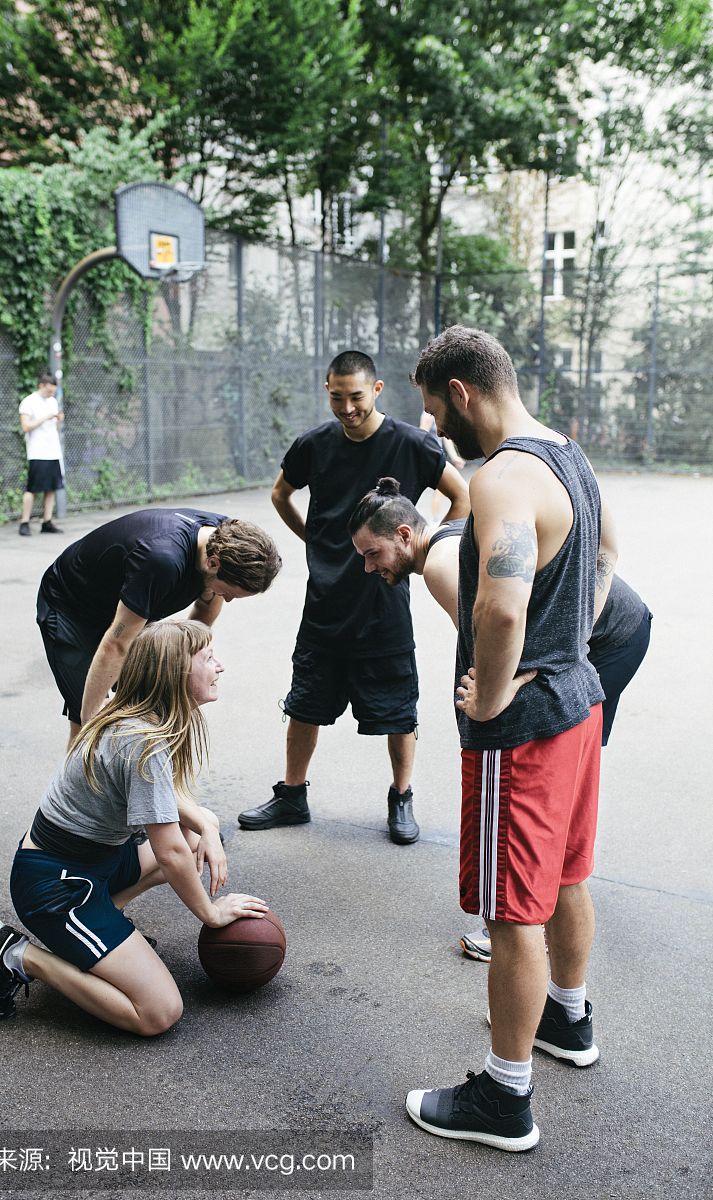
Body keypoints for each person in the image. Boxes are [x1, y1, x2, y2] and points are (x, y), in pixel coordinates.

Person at [400, 325, 617, 1153]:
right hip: (579, 704)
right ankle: (570, 1019)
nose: (434, 430)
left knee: (509, 912)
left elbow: (498, 607)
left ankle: (505, 1098)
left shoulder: (499, 480)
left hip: (523, 730)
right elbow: (608, 555)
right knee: (565, 876)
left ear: (461, 394)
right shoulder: (571, 455)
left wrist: (490, 700)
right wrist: (567, 653)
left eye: (432, 410)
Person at [348, 480, 652, 962]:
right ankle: (546, 894)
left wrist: (503, 689)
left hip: (612, 634)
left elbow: (507, 630)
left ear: (405, 535)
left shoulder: (439, 566)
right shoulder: (444, 540)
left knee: (556, 759)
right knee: (562, 769)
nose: (369, 566)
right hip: (608, 627)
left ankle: (525, 918)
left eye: (372, 553)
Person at [0, 620, 268, 1035]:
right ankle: (22, 957)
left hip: (90, 863)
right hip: (56, 888)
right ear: (175, 673)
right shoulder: (143, 742)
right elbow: (168, 853)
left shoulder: (132, 716)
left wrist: (206, 819)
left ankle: (106, 923)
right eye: (207, 658)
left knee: (196, 835)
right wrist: (211, 913)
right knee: (158, 1013)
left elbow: (163, 806)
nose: (220, 666)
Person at [237, 350, 470, 844]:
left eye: (356, 397)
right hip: (324, 605)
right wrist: (314, 543)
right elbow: (281, 495)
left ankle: (401, 798)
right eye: (337, 397)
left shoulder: (412, 443)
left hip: (384, 604)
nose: (347, 408)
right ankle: (292, 795)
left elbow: (462, 495)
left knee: (398, 710)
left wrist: (427, 547)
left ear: (377, 390)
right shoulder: (314, 445)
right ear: (327, 391)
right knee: (305, 704)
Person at [37, 508, 282, 750]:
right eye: (228, 593)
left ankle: (133, 782)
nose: (226, 600)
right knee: (89, 726)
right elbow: (117, 644)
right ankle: (74, 786)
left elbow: (202, 617)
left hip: (126, 607)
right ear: (213, 563)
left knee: (141, 708)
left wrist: (184, 671)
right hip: (72, 608)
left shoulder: (224, 541)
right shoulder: (162, 561)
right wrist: (92, 720)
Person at [19, 372, 64, 536]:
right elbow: (25, 427)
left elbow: (55, 429)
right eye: (49, 391)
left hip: (53, 451)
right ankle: (24, 522)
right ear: (41, 386)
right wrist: (45, 418)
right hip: (37, 452)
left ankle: (47, 521)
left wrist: (58, 420)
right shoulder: (28, 402)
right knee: (32, 488)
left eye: (53, 392)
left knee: (51, 488)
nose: (51, 395)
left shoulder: (52, 402)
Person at [419, 411, 466, 518]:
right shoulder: (428, 416)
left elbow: (446, 439)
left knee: (441, 491)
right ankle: (434, 520)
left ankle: (435, 519)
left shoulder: (440, 415)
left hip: (438, 457)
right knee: (442, 489)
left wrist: (454, 457)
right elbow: (421, 436)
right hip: (430, 458)